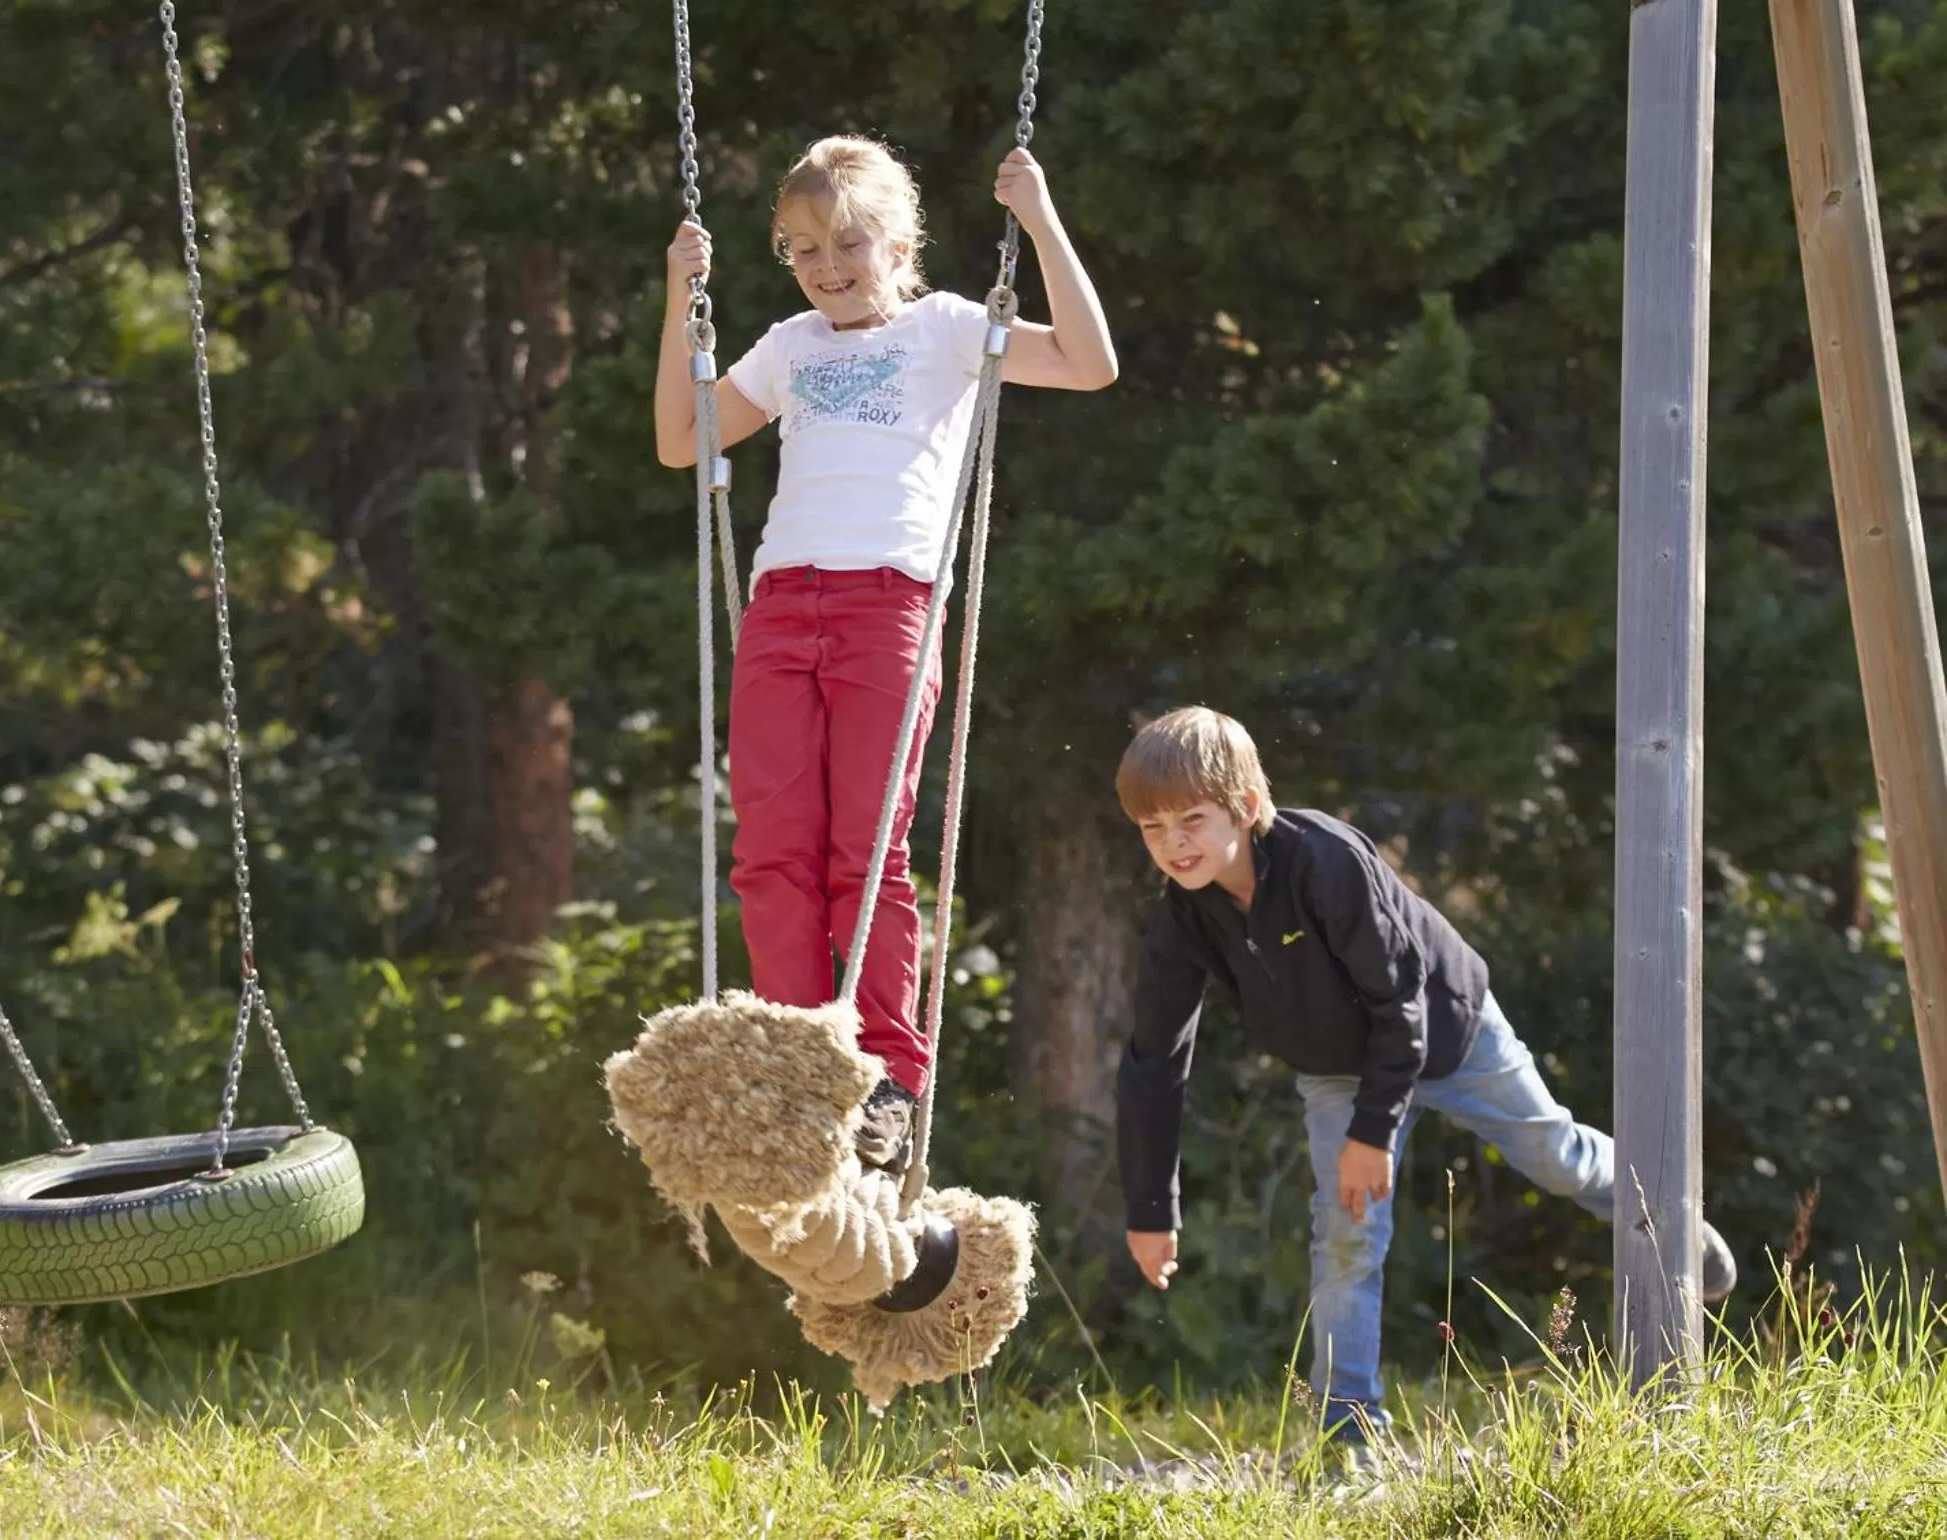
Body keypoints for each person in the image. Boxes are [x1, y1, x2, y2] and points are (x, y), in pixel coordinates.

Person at [655, 135, 1117, 1168]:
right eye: (803, 246)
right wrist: (676, 299)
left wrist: (1039, 221)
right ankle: (791, 1065)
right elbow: (683, 440)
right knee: (771, 851)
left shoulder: (948, 328)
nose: (827, 265)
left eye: (848, 242)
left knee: (864, 853)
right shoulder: (788, 346)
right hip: (782, 606)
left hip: (888, 608)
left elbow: (1090, 365)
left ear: (898, 240)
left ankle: (884, 1075)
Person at [1112, 705, 1737, 1454]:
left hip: (1448, 1032)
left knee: (1556, 1155)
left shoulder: (1327, 865)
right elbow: (1155, 1057)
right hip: (1337, 1071)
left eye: (1191, 819)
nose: (1174, 844)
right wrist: (1151, 1207)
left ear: (1246, 808)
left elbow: (1399, 998)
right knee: (1345, 1240)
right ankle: (1348, 1437)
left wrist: (1372, 1134)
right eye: (1153, 829)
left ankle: (1673, 1225)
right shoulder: (1183, 918)